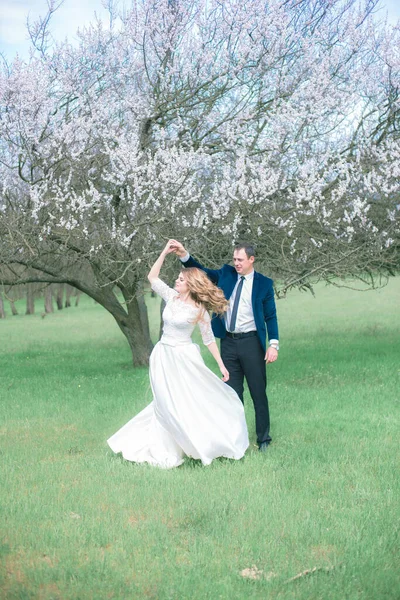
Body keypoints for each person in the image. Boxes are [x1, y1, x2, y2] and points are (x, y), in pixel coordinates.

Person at [107, 240, 249, 469]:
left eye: (181, 279)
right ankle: (163, 446)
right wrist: (164, 252)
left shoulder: (199, 310)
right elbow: (152, 278)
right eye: (178, 279)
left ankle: (197, 441)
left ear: (190, 284)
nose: (177, 281)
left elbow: (209, 339)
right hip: (162, 356)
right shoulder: (170, 296)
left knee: (184, 401)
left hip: (184, 358)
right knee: (163, 401)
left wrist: (222, 365)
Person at [170, 240, 279, 451]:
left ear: (251, 260)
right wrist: (184, 255)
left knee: (258, 392)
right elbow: (202, 272)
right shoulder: (227, 274)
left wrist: (273, 344)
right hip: (228, 342)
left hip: (251, 343)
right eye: (234, 259)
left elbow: (271, 316)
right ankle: (235, 439)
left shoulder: (264, 284)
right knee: (231, 394)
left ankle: (263, 439)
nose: (236, 263)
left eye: (240, 260)